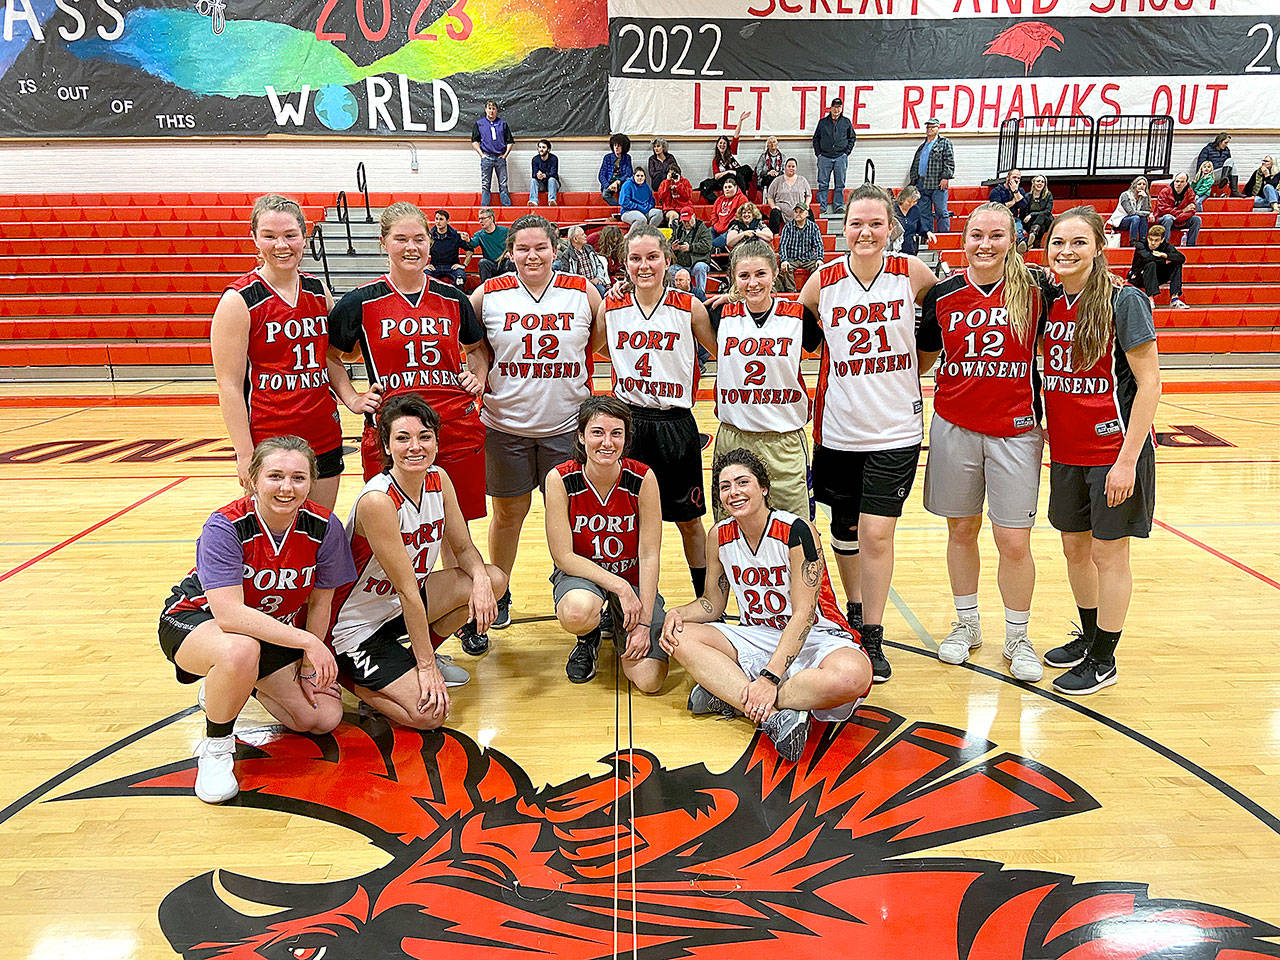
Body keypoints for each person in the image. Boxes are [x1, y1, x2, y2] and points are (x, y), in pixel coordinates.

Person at [158, 436, 355, 803]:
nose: (286, 487)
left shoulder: (324, 527)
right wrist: (309, 643)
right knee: (239, 650)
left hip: (271, 631)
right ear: (252, 478)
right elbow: (229, 614)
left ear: (311, 481)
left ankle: (232, 685)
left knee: (322, 717)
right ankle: (216, 748)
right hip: (195, 620)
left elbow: (319, 603)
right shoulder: (225, 526)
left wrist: (310, 664)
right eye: (275, 476)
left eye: (298, 477)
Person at [798, 183, 940, 684]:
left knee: (877, 533)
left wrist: (913, 372)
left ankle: (874, 635)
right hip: (838, 430)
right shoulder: (822, 282)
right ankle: (855, 613)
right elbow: (802, 335)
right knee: (844, 532)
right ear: (843, 228)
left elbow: (935, 330)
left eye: (875, 223)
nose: (865, 232)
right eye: (856, 223)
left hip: (896, 428)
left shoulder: (912, 273)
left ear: (890, 228)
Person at [660, 448, 873, 763]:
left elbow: (803, 614)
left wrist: (770, 679)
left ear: (763, 488)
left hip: (814, 635)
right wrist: (677, 614)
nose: (734, 492)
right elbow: (711, 604)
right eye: (725, 486)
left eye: (742, 482)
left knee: (854, 676)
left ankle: (733, 696)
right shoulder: (718, 536)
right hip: (757, 634)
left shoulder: (797, 531)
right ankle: (775, 718)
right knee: (680, 636)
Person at [919, 202, 1053, 683]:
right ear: (964, 239)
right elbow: (925, 355)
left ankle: (1017, 634)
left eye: (997, 235)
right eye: (977, 234)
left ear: (1011, 240)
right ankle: (967, 623)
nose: (985, 244)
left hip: (1017, 429)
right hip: (955, 423)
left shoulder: (1037, 289)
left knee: (1013, 539)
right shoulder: (943, 294)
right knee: (961, 530)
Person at [328, 395, 508, 724]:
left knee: (494, 579)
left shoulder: (439, 479)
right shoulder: (378, 500)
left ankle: (411, 659)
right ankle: (349, 678)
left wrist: (481, 583)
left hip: (395, 609)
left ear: (437, 442)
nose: (415, 447)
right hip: (355, 624)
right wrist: (425, 670)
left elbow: (465, 549)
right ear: (385, 446)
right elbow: (408, 590)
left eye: (424, 436)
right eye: (403, 438)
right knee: (429, 716)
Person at [1040, 206, 1161, 695]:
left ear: (1098, 247)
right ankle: (1089, 637)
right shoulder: (1051, 301)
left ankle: (1105, 659)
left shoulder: (1123, 301)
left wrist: (1127, 460)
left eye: (1078, 243)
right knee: (1075, 549)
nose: (1066, 252)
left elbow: (1150, 382)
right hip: (1068, 451)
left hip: (1114, 452)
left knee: (1110, 555)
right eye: (1058, 244)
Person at [470, 214, 603, 632]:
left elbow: (596, 341)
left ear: (555, 248)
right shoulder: (486, 294)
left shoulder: (582, 291)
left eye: (540, 247)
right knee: (509, 513)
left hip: (566, 426)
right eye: (523, 248)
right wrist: (476, 370)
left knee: (570, 518)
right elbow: (471, 344)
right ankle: (501, 590)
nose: (532, 255)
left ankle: (577, 590)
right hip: (505, 424)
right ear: (509, 252)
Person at [597, 224, 717, 597]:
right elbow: (598, 347)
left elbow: (718, 350)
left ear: (668, 260)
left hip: (674, 423)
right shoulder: (612, 305)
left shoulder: (688, 306)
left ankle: (706, 599)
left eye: (652, 257)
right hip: (629, 423)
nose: (644, 266)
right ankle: (625, 599)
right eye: (635, 258)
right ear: (625, 262)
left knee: (689, 521)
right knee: (623, 520)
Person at [211, 194, 348, 512]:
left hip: (323, 433)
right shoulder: (240, 300)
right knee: (279, 539)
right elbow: (228, 385)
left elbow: (336, 355)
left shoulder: (317, 290)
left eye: (290, 235)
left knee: (319, 530)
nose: (281, 245)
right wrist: (244, 454)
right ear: (255, 239)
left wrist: (353, 397)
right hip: (271, 439)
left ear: (305, 235)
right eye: (269, 236)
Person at [544, 396, 668, 689]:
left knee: (649, 681)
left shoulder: (642, 478)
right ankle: (588, 637)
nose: (607, 442)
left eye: (616, 433)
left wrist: (644, 623)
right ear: (581, 435)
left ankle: (618, 619)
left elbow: (649, 554)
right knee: (577, 611)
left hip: (633, 576)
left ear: (626, 439)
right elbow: (563, 556)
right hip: (584, 578)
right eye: (597, 432)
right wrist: (619, 587)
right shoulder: (560, 479)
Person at [709, 239, 823, 518]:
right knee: (728, 529)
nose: (753, 283)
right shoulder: (719, 314)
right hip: (734, 436)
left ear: (774, 273)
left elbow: (830, 354)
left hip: (783, 439)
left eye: (760, 274)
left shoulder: (798, 317)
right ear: (734, 279)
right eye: (744, 276)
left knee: (799, 529)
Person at [908, 117, 955, 233]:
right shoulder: (922, 146)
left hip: (937, 183)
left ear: (938, 128)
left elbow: (949, 161)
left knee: (941, 211)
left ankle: (943, 237)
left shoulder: (944, 143)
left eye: (932, 126)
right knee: (924, 212)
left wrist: (946, 177)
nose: (929, 129)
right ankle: (928, 236)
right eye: (928, 127)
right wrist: (913, 181)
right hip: (921, 182)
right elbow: (915, 164)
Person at [1127, 223, 1188, 309]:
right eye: (1150, 239)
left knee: (1176, 263)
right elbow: (1148, 258)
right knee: (1151, 264)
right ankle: (1150, 299)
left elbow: (1182, 258)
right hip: (1139, 276)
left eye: (1156, 240)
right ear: (1147, 237)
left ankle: (1175, 299)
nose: (1152, 243)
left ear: (1162, 240)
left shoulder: (1166, 246)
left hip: (1156, 276)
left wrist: (1165, 255)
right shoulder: (1141, 245)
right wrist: (1164, 261)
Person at [812, 97, 855, 215]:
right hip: (824, 157)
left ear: (841, 109)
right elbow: (816, 138)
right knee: (822, 183)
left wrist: (846, 153)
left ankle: (838, 206)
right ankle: (822, 206)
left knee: (840, 183)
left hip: (841, 157)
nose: (836, 109)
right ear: (830, 108)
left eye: (839, 107)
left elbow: (852, 138)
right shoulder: (822, 122)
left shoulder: (846, 122)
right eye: (834, 107)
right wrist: (818, 154)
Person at [698, 113, 754, 202]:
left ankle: (744, 198)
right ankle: (744, 199)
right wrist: (729, 171)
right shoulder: (715, 160)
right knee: (709, 183)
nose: (722, 145)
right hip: (725, 179)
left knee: (746, 169)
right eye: (720, 143)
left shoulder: (732, 151)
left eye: (724, 143)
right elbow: (716, 176)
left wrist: (740, 121)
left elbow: (736, 135)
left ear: (727, 145)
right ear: (717, 145)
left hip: (738, 178)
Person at [471, 99, 513, 207]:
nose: (491, 111)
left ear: (497, 111)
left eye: (493, 109)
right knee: (486, 184)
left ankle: (507, 206)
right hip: (487, 157)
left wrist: (505, 155)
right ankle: (485, 207)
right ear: (485, 110)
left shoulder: (503, 124)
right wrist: (482, 155)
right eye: (489, 108)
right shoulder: (479, 124)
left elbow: (510, 141)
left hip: (500, 158)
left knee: (503, 184)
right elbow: (475, 141)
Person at [666, 209, 713, 301]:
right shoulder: (678, 229)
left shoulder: (703, 229)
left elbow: (707, 246)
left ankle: (701, 296)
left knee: (700, 267)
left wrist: (690, 248)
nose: (686, 223)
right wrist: (672, 248)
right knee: (671, 270)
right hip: (681, 264)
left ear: (694, 217)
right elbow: (668, 244)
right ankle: (674, 295)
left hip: (698, 262)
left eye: (688, 221)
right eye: (684, 221)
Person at [778, 202, 825, 292]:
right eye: (796, 212)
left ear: (806, 214)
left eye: (800, 212)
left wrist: (820, 259)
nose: (797, 214)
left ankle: (811, 292)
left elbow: (818, 244)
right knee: (785, 268)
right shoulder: (788, 227)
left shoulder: (813, 227)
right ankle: (792, 292)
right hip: (792, 259)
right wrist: (784, 260)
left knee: (818, 268)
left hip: (808, 259)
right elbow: (782, 245)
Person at [555, 226, 610, 295]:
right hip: (579, 286)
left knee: (601, 290)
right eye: (582, 234)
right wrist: (583, 283)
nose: (585, 236)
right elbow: (568, 275)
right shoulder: (566, 255)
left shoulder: (589, 248)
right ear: (575, 239)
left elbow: (599, 265)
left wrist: (598, 278)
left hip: (595, 282)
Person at [764, 157, 812, 235]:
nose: (791, 168)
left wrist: (806, 205)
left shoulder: (802, 180)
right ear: (785, 167)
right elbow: (770, 197)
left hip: (799, 210)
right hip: (782, 211)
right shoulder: (777, 180)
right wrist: (774, 206)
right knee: (774, 213)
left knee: (809, 212)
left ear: (796, 168)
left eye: (793, 166)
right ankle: (775, 236)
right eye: (789, 166)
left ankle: (810, 234)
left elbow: (808, 195)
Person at [1154, 173, 1202, 247]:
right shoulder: (1165, 192)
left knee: (1197, 219)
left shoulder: (1190, 193)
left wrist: (1177, 217)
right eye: (1177, 181)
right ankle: (1164, 246)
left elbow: (1192, 210)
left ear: (1186, 183)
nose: (1179, 184)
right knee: (1168, 218)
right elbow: (1163, 209)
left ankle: (1190, 246)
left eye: (1182, 182)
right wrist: (1182, 211)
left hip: (1180, 219)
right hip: (1164, 219)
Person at [427, 209, 471, 288]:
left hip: (452, 267)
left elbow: (469, 250)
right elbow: (420, 250)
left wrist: (464, 265)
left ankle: (456, 298)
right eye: (436, 219)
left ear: (447, 221)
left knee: (460, 279)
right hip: (435, 267)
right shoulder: (429, 236)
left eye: (441, 219)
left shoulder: (455, 235)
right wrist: (423, 266)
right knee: (425, 277)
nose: (438, 222)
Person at [469, 207, 512, 282]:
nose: (480, 221)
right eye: (479, 219)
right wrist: (467, 239)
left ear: (491, 218)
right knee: (483, 262)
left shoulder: (505, 231)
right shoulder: (479, 234)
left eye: (483, 218)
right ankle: (486, 289)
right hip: (491, 264)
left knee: (512, 261)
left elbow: (514, 244)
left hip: (504, 262)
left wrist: (510, 252)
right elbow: (473, 244)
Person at [989, 169, 1029, 245]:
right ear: (1008, 178)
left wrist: (1015, 192)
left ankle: (1020, 242)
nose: (1016, 180)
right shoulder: (996, 191)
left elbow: (1023, 205)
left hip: (1014, 218)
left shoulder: (1020, 190)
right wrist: (1014, 201)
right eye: (1014, 177)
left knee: (1017, 224)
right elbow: (998, 208)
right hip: (999, 218)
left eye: (1018, 178)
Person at [890, 186, 934, 257]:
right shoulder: (893, 209)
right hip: (894, 249)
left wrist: (927, 232)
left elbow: (920, 227)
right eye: (908, 202)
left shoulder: (915, 210)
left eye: (914, 202)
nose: (911, 204)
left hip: (910, 248)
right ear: (902, 199)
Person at [1194, 132, 1240, 197]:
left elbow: (1229, 165)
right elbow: (1200, 165)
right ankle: (1233, 190)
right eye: (1225, 142)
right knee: (1231, 161)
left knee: (1232, 166)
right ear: (1220, 141)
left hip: (1221, 175)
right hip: (1210, 175)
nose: (1226, 145)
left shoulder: (1226, 150)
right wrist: (1200, 179)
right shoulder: (1207, 149)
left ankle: (1232, 188)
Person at [709, 177, 748, 250]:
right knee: (707, 234)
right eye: (725, 187)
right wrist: (715, 225)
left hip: (732, 229)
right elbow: (713, 214)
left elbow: (739, 216)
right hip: (717, 228)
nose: (727, 189)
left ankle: (713, 249)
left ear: (736, 187)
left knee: (712, 244)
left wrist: (726, 227)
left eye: (730, 187)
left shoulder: (742, 198)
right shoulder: (719, 199)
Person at [1114, 176, 1155, 244]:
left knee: (1143, 218)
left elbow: (1146, 210)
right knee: (1135, 218)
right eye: (1139, 184)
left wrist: (1145, 198)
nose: (1142, 186)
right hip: (1121, 220)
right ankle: (1133, 241)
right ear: (1134, 185)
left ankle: (1143, 241)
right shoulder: (1125, 195)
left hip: (1136, 221)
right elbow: (1131, 212)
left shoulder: (1144, 196)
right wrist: (1148, 214)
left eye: (1144, 184)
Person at [599, 134, 633, 206]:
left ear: (623, 147)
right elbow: (601, 175)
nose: (616, 148)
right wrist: (607, 185)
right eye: (615, 145)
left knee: (626, 191)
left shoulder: (627, 158)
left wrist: (617, 182)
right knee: (605, 194)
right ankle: (618, 208)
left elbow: (629, 173)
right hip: (609, 182)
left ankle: (624, 207)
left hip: (621, 182)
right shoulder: (607, 157)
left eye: (619, 145)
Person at [1022, 174, 1055, 248]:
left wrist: (1032, 214)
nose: (1040, 183)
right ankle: (1035, 242)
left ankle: (1033, 234)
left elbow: (1047, 211)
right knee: (1041, 226)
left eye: (1042, 182)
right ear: (1033, 183)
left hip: (1047, 220)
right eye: (1038, 181)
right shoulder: (1028, 196)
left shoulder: (1048, 195)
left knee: (1042, 216)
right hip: (1032, 223)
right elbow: (1023, 213)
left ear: (1045, 184)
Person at [530, 138, 559, 207]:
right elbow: (533, 174)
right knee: (533, 180)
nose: (541, 149)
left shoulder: (554, 158)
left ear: (548, 149)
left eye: (543, 147)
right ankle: (533, 201)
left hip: (553, 185)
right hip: (542, 185)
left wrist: (545, 175)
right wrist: (538, 175)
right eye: (539, 147)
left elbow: (554, 174)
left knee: (551, 179)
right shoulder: (535, 159)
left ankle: (552, 201)